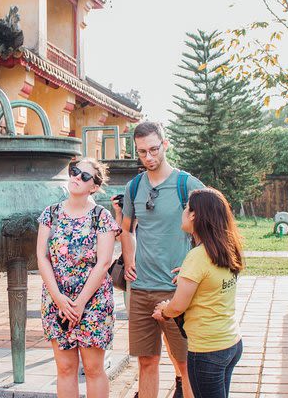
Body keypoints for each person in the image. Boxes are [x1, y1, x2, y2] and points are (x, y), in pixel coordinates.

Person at [119, 121, 204, 398]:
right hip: (141, 288)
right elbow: (126, 228)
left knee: (185, 363)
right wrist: (129, 258)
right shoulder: (134, 187)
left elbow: (213, 227)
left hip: (176, 289)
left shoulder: (186, 184)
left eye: (154, 149)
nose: (149, 157)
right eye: (142, 152)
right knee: (147, 361)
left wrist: (194, 266)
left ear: (165, 145)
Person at [36, 158, 120, 398]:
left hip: (93, 301)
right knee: (65, 368)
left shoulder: (101, 217)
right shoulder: (50, 214)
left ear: (94, 186)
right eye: (74, 172)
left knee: (93, 369)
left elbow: (104, 262)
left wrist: (79, 303)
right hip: (56, 300)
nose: (76, 177)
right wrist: (59, 299)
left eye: (85, 176)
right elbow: (42, 257)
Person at [153, 188, 244, 398]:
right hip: (231, 343)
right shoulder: (226, 248)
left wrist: (164, 311)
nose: (183, 213)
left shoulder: (197, 256)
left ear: (194, 215)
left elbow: (178, 306)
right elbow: (210, 282)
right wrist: (186, 277)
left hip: (207, 350)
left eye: (186, 208)